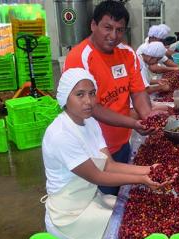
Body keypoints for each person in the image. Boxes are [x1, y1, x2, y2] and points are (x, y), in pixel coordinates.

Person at [42, 69, 173, 239]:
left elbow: (109, 165)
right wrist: (143, 179)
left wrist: (151, 169)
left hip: (90, 199)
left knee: (140, 216)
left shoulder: (90, 122)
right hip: (69, 215)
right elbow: (99, 176)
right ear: (65, 97)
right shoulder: (61, 134)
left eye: (92, 94)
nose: (88, 101)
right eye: (79, 95)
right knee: (130, 232)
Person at [63, 0, 157, 196]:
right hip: (93, 150)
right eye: (107, 27)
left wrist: (149, 118)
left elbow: (138, 91)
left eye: (120, 30)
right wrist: (133, 123)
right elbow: (90, 107)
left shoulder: (127, 53)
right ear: (93, 25)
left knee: (119, 197)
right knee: (101, 200)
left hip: (122, 142)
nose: (113, 36)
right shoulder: (79, 57)